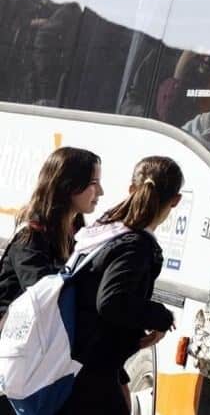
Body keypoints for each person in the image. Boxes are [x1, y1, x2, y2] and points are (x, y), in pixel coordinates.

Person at [56, 156, 182, 415]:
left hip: (75, 360)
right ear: (176, 200)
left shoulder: (105, 230)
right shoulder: (135, 244)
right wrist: (159, 315)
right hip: (92, 369)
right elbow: (112, 301)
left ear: (131, 189)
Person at [0, 146, 102, 415]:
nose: (100, 192)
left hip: (50, 366)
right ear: (70, 186)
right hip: (18, 370)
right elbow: (47, 296)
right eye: (94, 183)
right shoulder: (31, 237)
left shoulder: (80, 236)